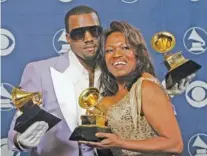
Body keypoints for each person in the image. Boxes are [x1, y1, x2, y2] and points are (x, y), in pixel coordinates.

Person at [8, 5, 193, 156]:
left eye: (94, 31)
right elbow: (21, 122)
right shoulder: (39, 71)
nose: (88, 39)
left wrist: (163, 93)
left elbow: (135, 109)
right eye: (79, 33)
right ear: (67, 38)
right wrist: (20, 140)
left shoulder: (115, 70)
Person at [80, 21, 185, 156]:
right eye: (109, 50)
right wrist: (95, 137)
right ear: (104, 59)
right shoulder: (104, 102)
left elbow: (175, 144)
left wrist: (120, 143)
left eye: (125, 48)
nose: (117, 54)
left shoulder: (146, 87)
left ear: (137, 54)